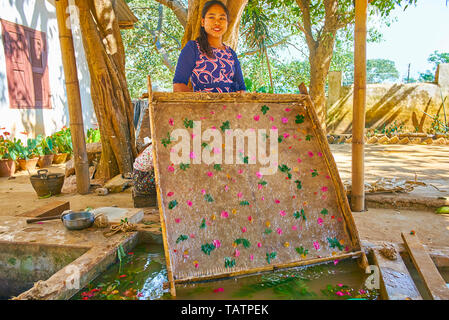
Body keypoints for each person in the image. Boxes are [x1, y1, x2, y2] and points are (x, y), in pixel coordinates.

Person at [173, 0, 246, 93]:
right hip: (201, 106)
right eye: (211, 17)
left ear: (227, 22)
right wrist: (198, 106)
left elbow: (241, 88)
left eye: (222, 18)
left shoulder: (231, 54)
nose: (217, 22)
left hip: (230, 107)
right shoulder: (193, 48)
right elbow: (179, 85)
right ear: (203, 22)